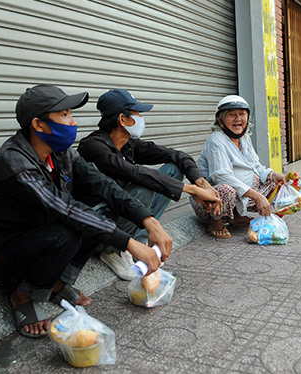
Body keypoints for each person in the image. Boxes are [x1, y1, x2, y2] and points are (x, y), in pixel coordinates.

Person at [0, 84, 169, 338]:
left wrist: (148, 221)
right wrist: (129, 243)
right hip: (0, 258)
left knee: (95, 219)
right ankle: (20, 295)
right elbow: (64, 209)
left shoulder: (61, 154)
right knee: (72, 228)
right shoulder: (14, 160)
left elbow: (102, 184)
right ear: (38, 125)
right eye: (64, 115)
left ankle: (56, 283)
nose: (72, 121)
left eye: (70, 113)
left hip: (36, 236)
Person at [78, 89, 221, 279]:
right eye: (137, 114)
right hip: (96, 218)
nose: (141, 118)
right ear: (122, 119)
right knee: (143, 185)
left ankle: (139, 240)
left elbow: (178, 155)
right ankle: (114, 250)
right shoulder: (93, 146)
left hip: (122, 210)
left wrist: (202, 184)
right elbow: (134, 173)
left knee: (173, 169)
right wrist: (191, 190)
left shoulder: (130, 144)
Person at [190, 95, 285, 239]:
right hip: (210, 200)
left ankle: (237, 216)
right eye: (231, 115)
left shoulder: (244, 138)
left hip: (241, 194)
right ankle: (215, 222)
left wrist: (273, 175)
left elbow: (255, 165)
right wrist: (257, 196)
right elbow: (221, 176)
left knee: (277, 185)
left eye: (242, 114)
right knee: (226, 190)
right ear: (221, 121)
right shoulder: (216, 140)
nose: (238, 119)